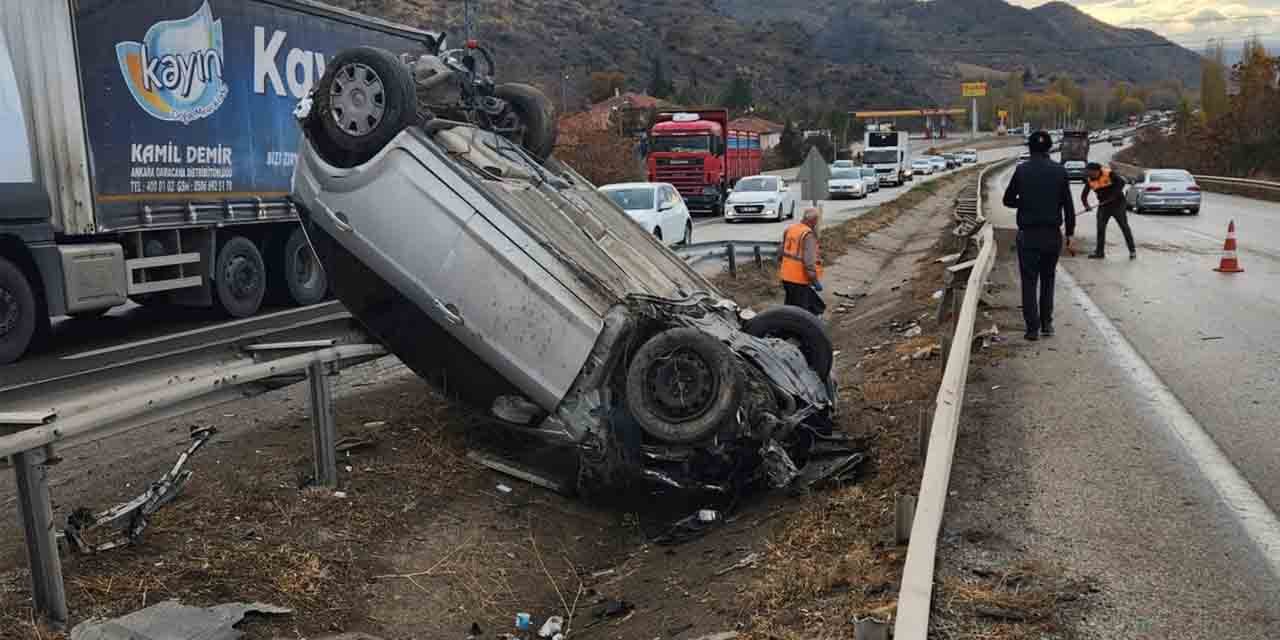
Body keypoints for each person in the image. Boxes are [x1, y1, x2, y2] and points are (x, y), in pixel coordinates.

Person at [1002, 130, 1076, 341]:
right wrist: (1069, 234)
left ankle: (1032, 328)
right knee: (1048, 279)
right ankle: (1047, 324)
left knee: (1029, 281)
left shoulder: (1022, 170)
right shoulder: (1059, 171)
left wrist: (1024, 203)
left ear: (1030, 148)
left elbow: (1007, 200)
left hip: (1028, 235)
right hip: (1052, 235)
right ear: (1050, 147)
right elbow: (1069, 207)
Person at [1081, 162, 1135, 259]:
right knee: (1100, 228)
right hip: (1104, 206)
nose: (1089, 174)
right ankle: (1099, 253)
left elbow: (1122, 183)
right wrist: (1086, 206)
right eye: (1087, 172)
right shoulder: (1089, 180)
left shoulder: (1109, 174)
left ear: (1097, 171)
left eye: (1090, 172)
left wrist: (1113, 195)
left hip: (1118, 204)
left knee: (1124, 227)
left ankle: (1132, 251)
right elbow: (1083, 196)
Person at [779, 207, 825, 316]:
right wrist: (814, 280)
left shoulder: (791, 229)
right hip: (799, 279)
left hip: (786, 277)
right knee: (802, 313)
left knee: (790, 307)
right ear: (813, 220)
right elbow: (809, 262)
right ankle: (797, 331)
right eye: (817, 221)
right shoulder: (808, 235)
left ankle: (784, 330)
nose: (817, 224)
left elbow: (780, 252)